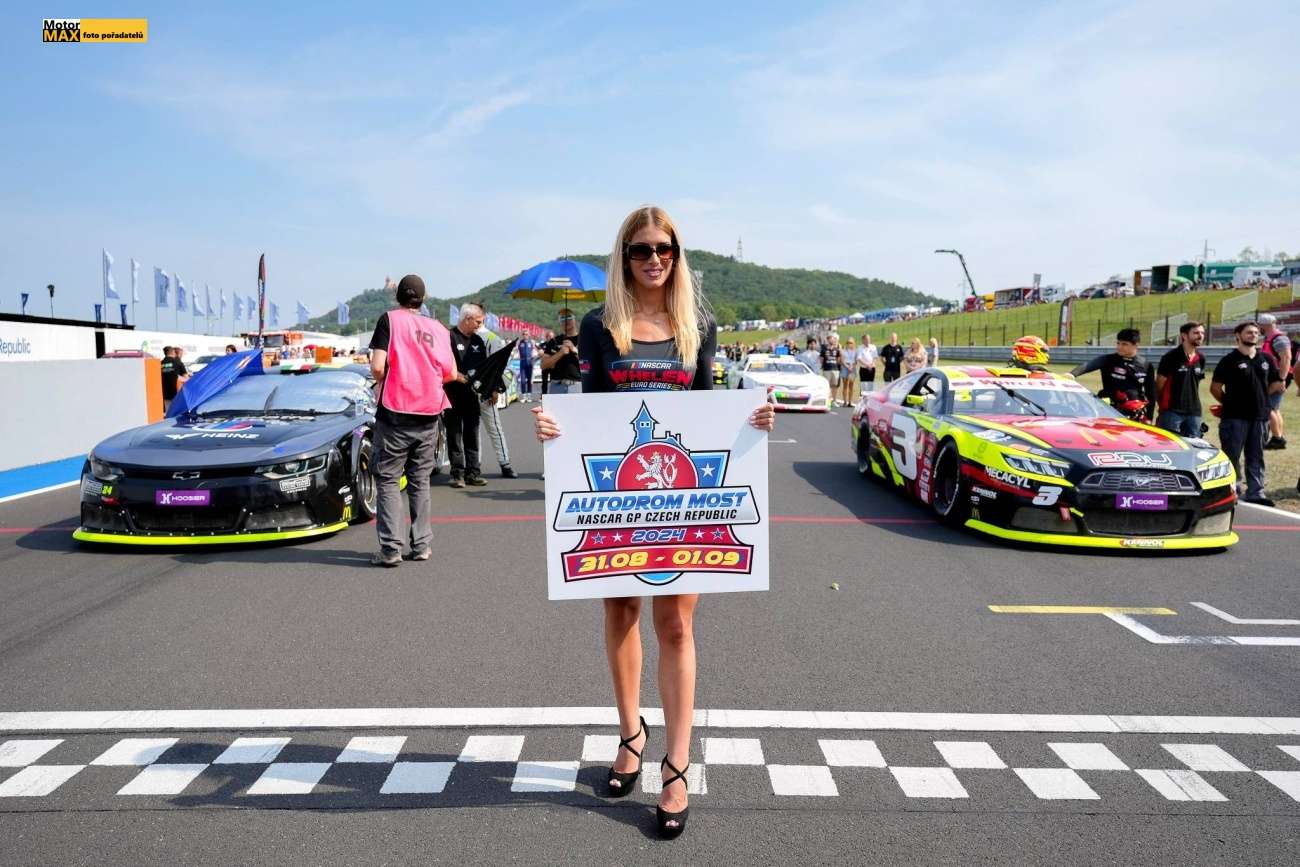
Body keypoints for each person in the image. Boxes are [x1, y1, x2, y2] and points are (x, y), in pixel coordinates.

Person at [531, 205, 774, 840]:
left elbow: (710, 408)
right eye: (641, 249)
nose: (654, 258)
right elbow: (587, 413)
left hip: (682, 497)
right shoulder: (598, 326)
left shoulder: (699, 325)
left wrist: (752, 422)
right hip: (620, 496)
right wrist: (554, 428)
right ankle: (631, 734)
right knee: (621, 614)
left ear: (676, 254)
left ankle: (677, 765)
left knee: (677, 624)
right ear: (625, 256)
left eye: (664, 248)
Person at [367, 274, 457, 566]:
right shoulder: (439, 328)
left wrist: (389, 376)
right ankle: (422, 545)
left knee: (389, 479)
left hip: (395, 410)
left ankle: (391, 549)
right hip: (429, 412)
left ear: (398, 297)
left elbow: (377, 367)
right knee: (420, 480)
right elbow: (451, 374)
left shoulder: (389, 320)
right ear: (423, 299)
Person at [1211, 321, 1284, 506]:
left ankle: (1256, 492)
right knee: (1232, 455)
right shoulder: (1229, 360)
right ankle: (1231, 489)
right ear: (1238, 335)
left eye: (1256, 332)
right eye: (1249, 332)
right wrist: (1229, 403)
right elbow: (1215, 388)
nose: (1253, 335)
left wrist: (1261, 397)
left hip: (1260, 417)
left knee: (1256, 456)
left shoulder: (1266, 359)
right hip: (1234, 417)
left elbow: (1277, 383)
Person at [445, 303, 489, 488]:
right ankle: (457, 474)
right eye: (478, 321)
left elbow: (485, 367)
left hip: (472, 395)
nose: (480, 325)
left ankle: (473, 472)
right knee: (454, 435)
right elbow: (442, 365)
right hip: (452, 395)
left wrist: (489, 388)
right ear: (467, 319)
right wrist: (457, 376)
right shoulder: (449, 337)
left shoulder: (478, 341)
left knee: (472, 434)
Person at [1069, 328, 1155, 422]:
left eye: (1124, 344)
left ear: (1136, 345)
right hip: (1109, 410)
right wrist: (1072, 374)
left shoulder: (1146, 365)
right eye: (1118, 343)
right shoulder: (1109, 359)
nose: (1119, 347)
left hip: (1135, 413)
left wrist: (1149, 417)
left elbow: (1151, 394)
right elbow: (1089, 365)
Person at [476, 318, 516, 479]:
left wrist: (495, 388)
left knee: (494, 429)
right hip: (469, 391)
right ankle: (475, 464)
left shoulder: (492, 338)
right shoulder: (465, 336)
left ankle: (505, 463)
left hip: (486, 392)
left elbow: (500, 366)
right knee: (472, 430)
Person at [1155, 321, 1206, 437]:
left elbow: (1195, 384)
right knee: (1170, 445)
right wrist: (1163, 406)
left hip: (1194, 413)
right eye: (1196, 333)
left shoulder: (1201, 358)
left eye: (1202, 333)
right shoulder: (1170, 357)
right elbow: (1159, 385)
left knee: (1193, 446)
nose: (1200, 336)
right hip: (1172, 412)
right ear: (1184, 335)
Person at [1258, 314, 1291, 449]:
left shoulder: (1279, 339)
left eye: (1259, 325)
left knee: (1268, 407)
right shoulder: (1271, 338)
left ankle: (1277, 438)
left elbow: (1286, 358)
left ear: (1265, 325)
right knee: (1274, 408)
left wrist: (1281, 379)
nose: (1258, 328)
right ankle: (1278, 437)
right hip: (1274, 377)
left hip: (1276, 378)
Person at [540, 309, 582, 395]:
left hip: (577, 385)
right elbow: (543, 365)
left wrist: (575, 350)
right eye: (562, 319)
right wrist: (560, 353)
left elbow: (588, 365)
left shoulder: (583, 340)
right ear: (559, 322)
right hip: (556, 386)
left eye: (569, 317)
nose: (566, 321)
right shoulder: (554, 341)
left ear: (574, 320)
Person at [160, 346, 188, 413]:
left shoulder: (160, 363)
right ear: (173, 352)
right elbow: (185, 377)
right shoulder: (177, 362)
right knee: (177, 413)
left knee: (168, 412)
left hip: (164, 392)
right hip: (177, 392)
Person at [820, 334, 843, 405]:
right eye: (830, 339)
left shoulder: (837, 349)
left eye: (833, 339)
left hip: (835, 369)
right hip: (827, 369)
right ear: (828, 340)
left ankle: (834, 400)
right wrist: (824, 366)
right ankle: (828, 400)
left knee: (834, 385)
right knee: (827, 386)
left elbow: (839, 360)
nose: (832, 340)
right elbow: (821, 360)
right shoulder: (824, 349)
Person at [517, 334, 536, 402]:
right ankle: (524, 396)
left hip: (529, 362)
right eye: (524, 334)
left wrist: (533, 358)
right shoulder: (520, 342)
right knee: (522, 380)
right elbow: (516, 350)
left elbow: (534, 351)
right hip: (522, 362)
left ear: (528, 335)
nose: (525, 335)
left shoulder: (531, 342)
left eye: (526, 334)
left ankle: (529, 395)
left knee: (529, 380)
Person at [839, 337, 857, 406]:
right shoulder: (843, 351)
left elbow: (856, 361)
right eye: (848, 342)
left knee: (851, 385)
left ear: (853, 343)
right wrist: (847, 366)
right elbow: (842, 360)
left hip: (852, 368)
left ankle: (850, 402)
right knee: (845, 385)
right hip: (845, 367)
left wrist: (851, 367)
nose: (849, 344)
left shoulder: (855, 351)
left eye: (851, 343)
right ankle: (845, 401)